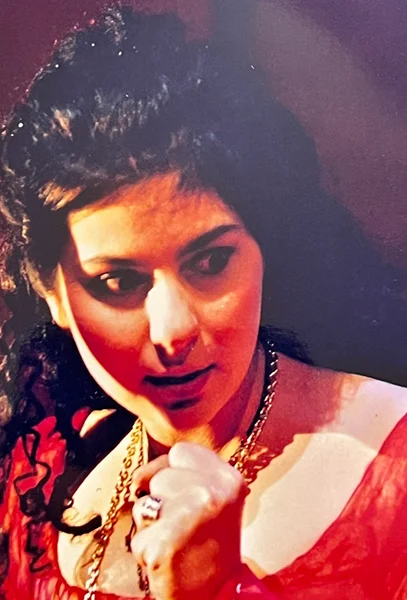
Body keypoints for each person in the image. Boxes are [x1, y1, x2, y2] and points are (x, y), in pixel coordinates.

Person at [0, 6, 406, 600]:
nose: (173, 331)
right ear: (53, 295)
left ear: (265, 250)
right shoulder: (40, 477)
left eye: (211, 262)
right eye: (116, 282)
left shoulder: (394, 469)